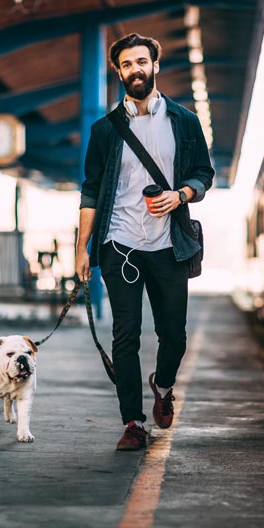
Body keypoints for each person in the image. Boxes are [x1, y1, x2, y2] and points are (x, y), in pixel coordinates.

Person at [75, 33, 215, 451]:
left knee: (174, 335)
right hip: (119, 244)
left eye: (142, 61)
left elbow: (204, 174)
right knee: (126, 336)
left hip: (169, 244)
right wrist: (82, 249)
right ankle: (133, 422)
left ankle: (164, 383)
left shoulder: (184, 121)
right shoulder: (105, 130)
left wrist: (181, 194)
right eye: (126, 64)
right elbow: (90, 189)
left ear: (155, 65)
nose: (135, 69)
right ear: (118, 72)